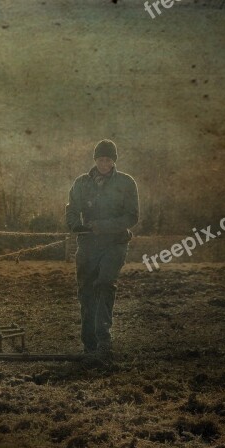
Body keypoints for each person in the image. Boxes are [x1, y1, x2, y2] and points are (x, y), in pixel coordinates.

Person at [65, 139, 139, 355]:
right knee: (86, 292)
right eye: (100, 159)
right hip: (87, 246)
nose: (104, 163)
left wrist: (103, 227)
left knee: (105, 284)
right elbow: (71, 209)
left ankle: (104, 342)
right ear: (95, 160)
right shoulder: (81, 183)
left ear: (113, 161)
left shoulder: (126, 183)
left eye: (108, 159)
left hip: (114, 244)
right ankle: (89, 345)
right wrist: (74, 225)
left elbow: (132, 216)